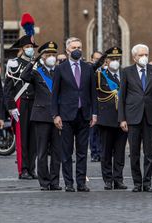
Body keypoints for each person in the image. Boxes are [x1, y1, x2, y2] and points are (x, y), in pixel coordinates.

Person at [51, 37, 97, 192]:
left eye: (79, 46)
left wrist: (94, 113)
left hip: (84, 114)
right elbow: (55, 94)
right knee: (67, 152)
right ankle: (69, 183)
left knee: (83, 151)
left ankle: (81, 182)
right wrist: (55, 115)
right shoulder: (60, 69)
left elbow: (93, 93)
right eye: (74, 47)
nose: (77, 49)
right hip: (66, 115)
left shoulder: (88, 68)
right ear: (67, 50)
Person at [118, 44, 152, 193]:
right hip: (133, 117)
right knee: (135, 152)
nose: (144, 57)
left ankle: (147, 183)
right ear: (134, 57)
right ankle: (137, 183)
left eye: (146, 54)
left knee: (149, 152)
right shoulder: (126, 72)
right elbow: (122, 96)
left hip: (150, 117)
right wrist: (122, 119)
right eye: (141, 55)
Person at [20, 41, 62, 191]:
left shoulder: (59, 71)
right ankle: (44, 182)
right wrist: (34, 61)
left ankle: (55, 181)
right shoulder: (37, 72)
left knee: (57, 151)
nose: (51, 57)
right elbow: (24, 76)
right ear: (43, 57)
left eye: (53, 55)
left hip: (57, 116)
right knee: (42, 151)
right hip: (41, 116)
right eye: (48, 55)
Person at [4, 35, 37, 180]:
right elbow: (8, 89)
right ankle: (23, 169)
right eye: (28, 47)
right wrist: (11, 107)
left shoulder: (37, 64)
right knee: (22, 138)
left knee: (34, 139)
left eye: (31, 47)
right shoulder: (13, 63)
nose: (30, 49)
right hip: (20, 103)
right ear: (22, 48)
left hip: (35, 104)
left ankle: (31, 168)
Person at [96, 47, 128, 190]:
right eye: (112, 59)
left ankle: (118, 179)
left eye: (117, 59)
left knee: (120, 151)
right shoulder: (99, 75)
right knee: (106, 151)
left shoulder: (125, 74)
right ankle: (108, 179)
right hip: (106, 118)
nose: (115, 62)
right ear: (106, 61)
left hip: (123, 118)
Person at [89, 51, 103, 162]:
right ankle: (94, 153)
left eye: (100, 59)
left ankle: (102, 151)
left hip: (103, 104)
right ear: (92, 59)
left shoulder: (105, 72)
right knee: (93, 130)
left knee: (102, 130)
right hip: (92, 103)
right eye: (96, 59)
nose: (98, 61)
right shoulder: (89, 70)